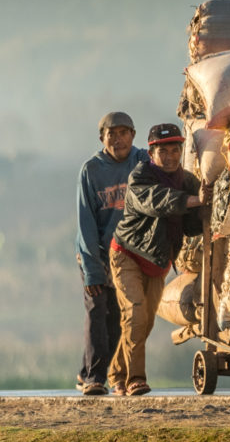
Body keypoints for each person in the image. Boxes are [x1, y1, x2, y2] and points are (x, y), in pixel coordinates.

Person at [107, 123, 203, 397]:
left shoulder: (187, 180)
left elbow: (193, 225)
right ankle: (136, 379)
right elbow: (156, 201)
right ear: (152, 153)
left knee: (144, 323)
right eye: (164, 152)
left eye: (176, 150)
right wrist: (194, 200)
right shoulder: (140, 178)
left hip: (158, 262)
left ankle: (116, 373)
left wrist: (209, 206)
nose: (171, 157)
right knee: (135, 314)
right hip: (128, 255)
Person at [74, 111, 142, 396]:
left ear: (133, 136)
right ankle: (94, 378)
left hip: (128, 256)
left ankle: (88, 372)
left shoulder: (142, 162)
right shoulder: (91, 170)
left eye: (124, 132)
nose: (118, 139)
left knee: (117, 318)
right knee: (98, 312)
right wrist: (93, 268)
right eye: (111, 134)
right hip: (97, 253)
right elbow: (86, 222)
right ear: (102, 138)